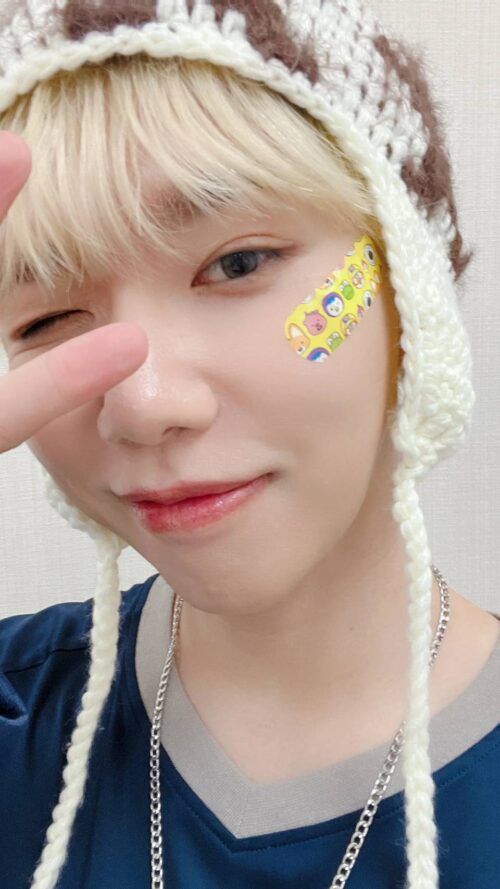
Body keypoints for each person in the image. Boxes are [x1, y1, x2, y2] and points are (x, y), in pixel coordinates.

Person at [0, 2, 498, 888]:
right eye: (47, 319)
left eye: (238, 264)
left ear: (405, 278)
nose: (144, 406)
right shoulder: (17, 711)